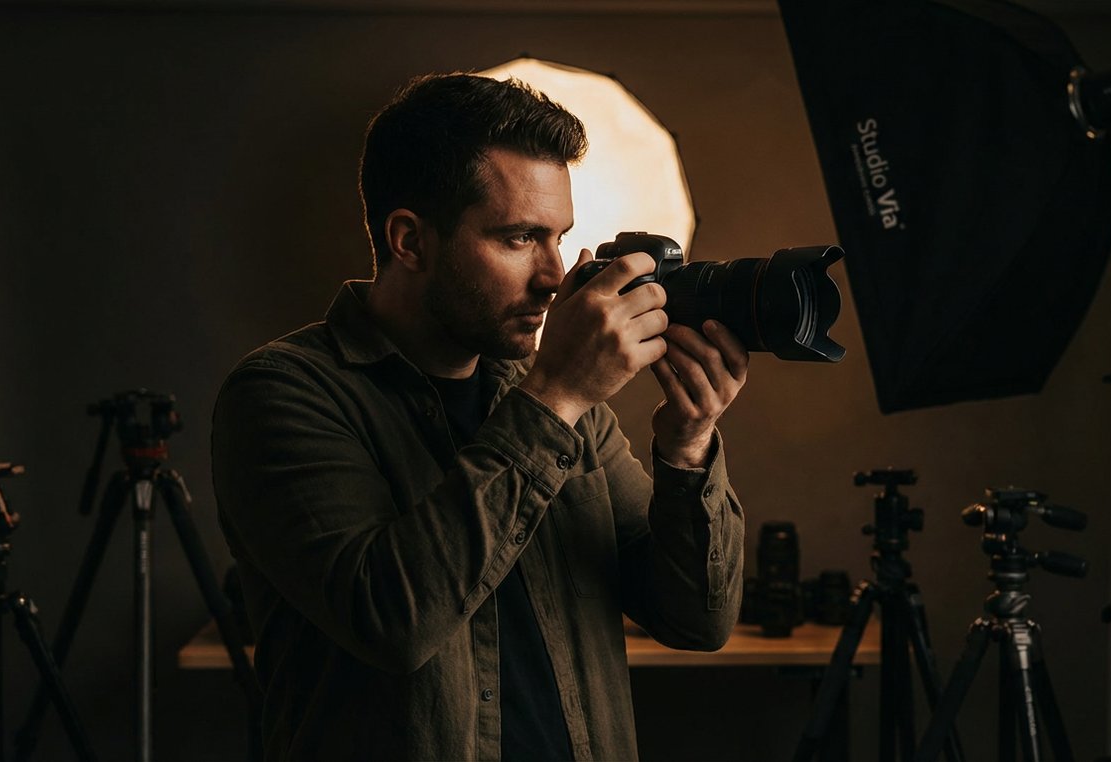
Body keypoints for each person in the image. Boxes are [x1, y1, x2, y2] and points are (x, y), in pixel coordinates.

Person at [212, 72, 749, 761]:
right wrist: (556, 396)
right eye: (520, 238)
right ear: (409, 241)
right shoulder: (284, 393)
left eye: (560, 237)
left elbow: (696, 620)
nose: (555, 275)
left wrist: (689, 447)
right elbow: (393, 621)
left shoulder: (562, 405)